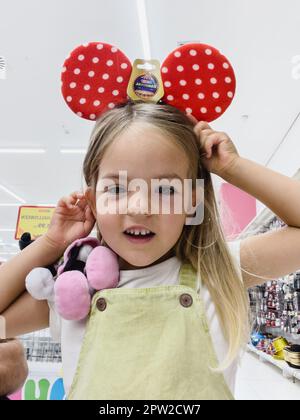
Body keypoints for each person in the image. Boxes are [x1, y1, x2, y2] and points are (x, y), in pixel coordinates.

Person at [1, 102, 300, 399]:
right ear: (93, 202)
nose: (140, 207)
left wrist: (232, 167)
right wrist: (51, 243)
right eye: (117, 189)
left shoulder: (217, 272)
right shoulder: (70, 293)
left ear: (192, 204)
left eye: (166, 189)